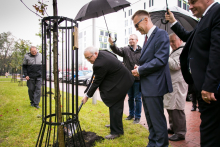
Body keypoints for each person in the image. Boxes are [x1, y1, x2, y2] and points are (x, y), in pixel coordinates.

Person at [165, 0, 220, 146]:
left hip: (211, 90)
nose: (190, 6)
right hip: (202, 86)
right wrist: (174, 22)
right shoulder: (205, 18)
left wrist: (210, 85)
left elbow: (217, 51)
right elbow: (191, 38)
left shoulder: (217, 13)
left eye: (193, 1)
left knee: (210, 133)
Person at [131, 10, 173, 147]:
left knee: (157, 120)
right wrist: (140, 66)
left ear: (145, 20)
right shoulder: (147, 38)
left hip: (155, 85)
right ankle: (153, 143)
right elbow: (150, 59)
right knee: (150, 119)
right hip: (148, 85)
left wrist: (141, 69)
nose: (136, 29)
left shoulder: (161, 34)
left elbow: (161, 59)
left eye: (137, 25)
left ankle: (161, 145)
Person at [82, 46, 134, 140]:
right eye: (86, 58)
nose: (88, 60)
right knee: (115, 106)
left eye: (89, 57)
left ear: (96, 54)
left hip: (121, 82)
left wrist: (87, 96)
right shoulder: (103, 52)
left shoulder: (100, 64)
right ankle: (114, 124)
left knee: (115, 104)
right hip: (121, 79)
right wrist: (87, 92)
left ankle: (116, 132)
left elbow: (96, 82)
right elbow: (95, 76)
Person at [108, 34, 142, 124]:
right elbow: (117, 50)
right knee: (130, 97)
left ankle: (137, 117)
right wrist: (112, 44)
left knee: (138, 98)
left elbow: (145, 62)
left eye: (132, 39)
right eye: (129, 39)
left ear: (137, 40)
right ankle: (131, 115)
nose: (131, 41)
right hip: (128, 78)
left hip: (138, 79)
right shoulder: (125, 49)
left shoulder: (142, 51)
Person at [163, 33, 188, 141]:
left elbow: (176, 65)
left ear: (180, 40)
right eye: (170, 41)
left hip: (177, 84)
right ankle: (174, 128)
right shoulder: (176, 51)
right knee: (171, 107)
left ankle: (180, 132)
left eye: (173, 41)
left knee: (177, 108)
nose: (171, 44)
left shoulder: (182, 50)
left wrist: (165, 56)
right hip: (172, 84)